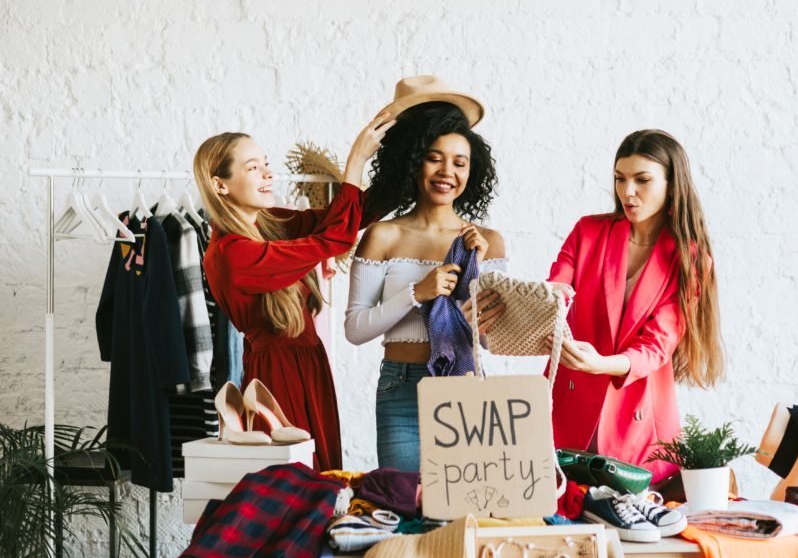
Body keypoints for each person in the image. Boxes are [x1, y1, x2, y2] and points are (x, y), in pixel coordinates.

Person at [194, 111, 395, 471]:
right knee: (300, 479)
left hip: (309, 362)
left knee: (322, 475)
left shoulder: (273, 225)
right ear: (220, 184)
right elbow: (334, 239)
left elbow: (350, 216)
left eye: (266, 164)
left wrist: (406, 160)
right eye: (253, 167)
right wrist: (356, 162)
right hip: (277, 376)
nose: (268, 173)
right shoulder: (230, 254)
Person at [345, 77, 507, 473]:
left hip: (464, 387)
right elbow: (355, 329)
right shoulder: (384, 235)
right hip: (400, 387)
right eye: (434, 157)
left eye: (459, 162)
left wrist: (479, 273)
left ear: (472, 170)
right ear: (414, 160)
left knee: (462, 510)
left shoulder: (487, 242)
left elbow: (491, 340)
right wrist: (417, 293)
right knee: (404, 505)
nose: (446, 171)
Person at [544, 129, 724, 484]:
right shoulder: (588, 232)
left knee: (635, 527)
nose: (627, 192)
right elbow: (554, 293)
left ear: (672, 184)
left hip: (638, 417)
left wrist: (602, 364)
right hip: (568, 405)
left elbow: (658, 344)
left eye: (642, 180)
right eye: (619, 179)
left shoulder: (689, 259)